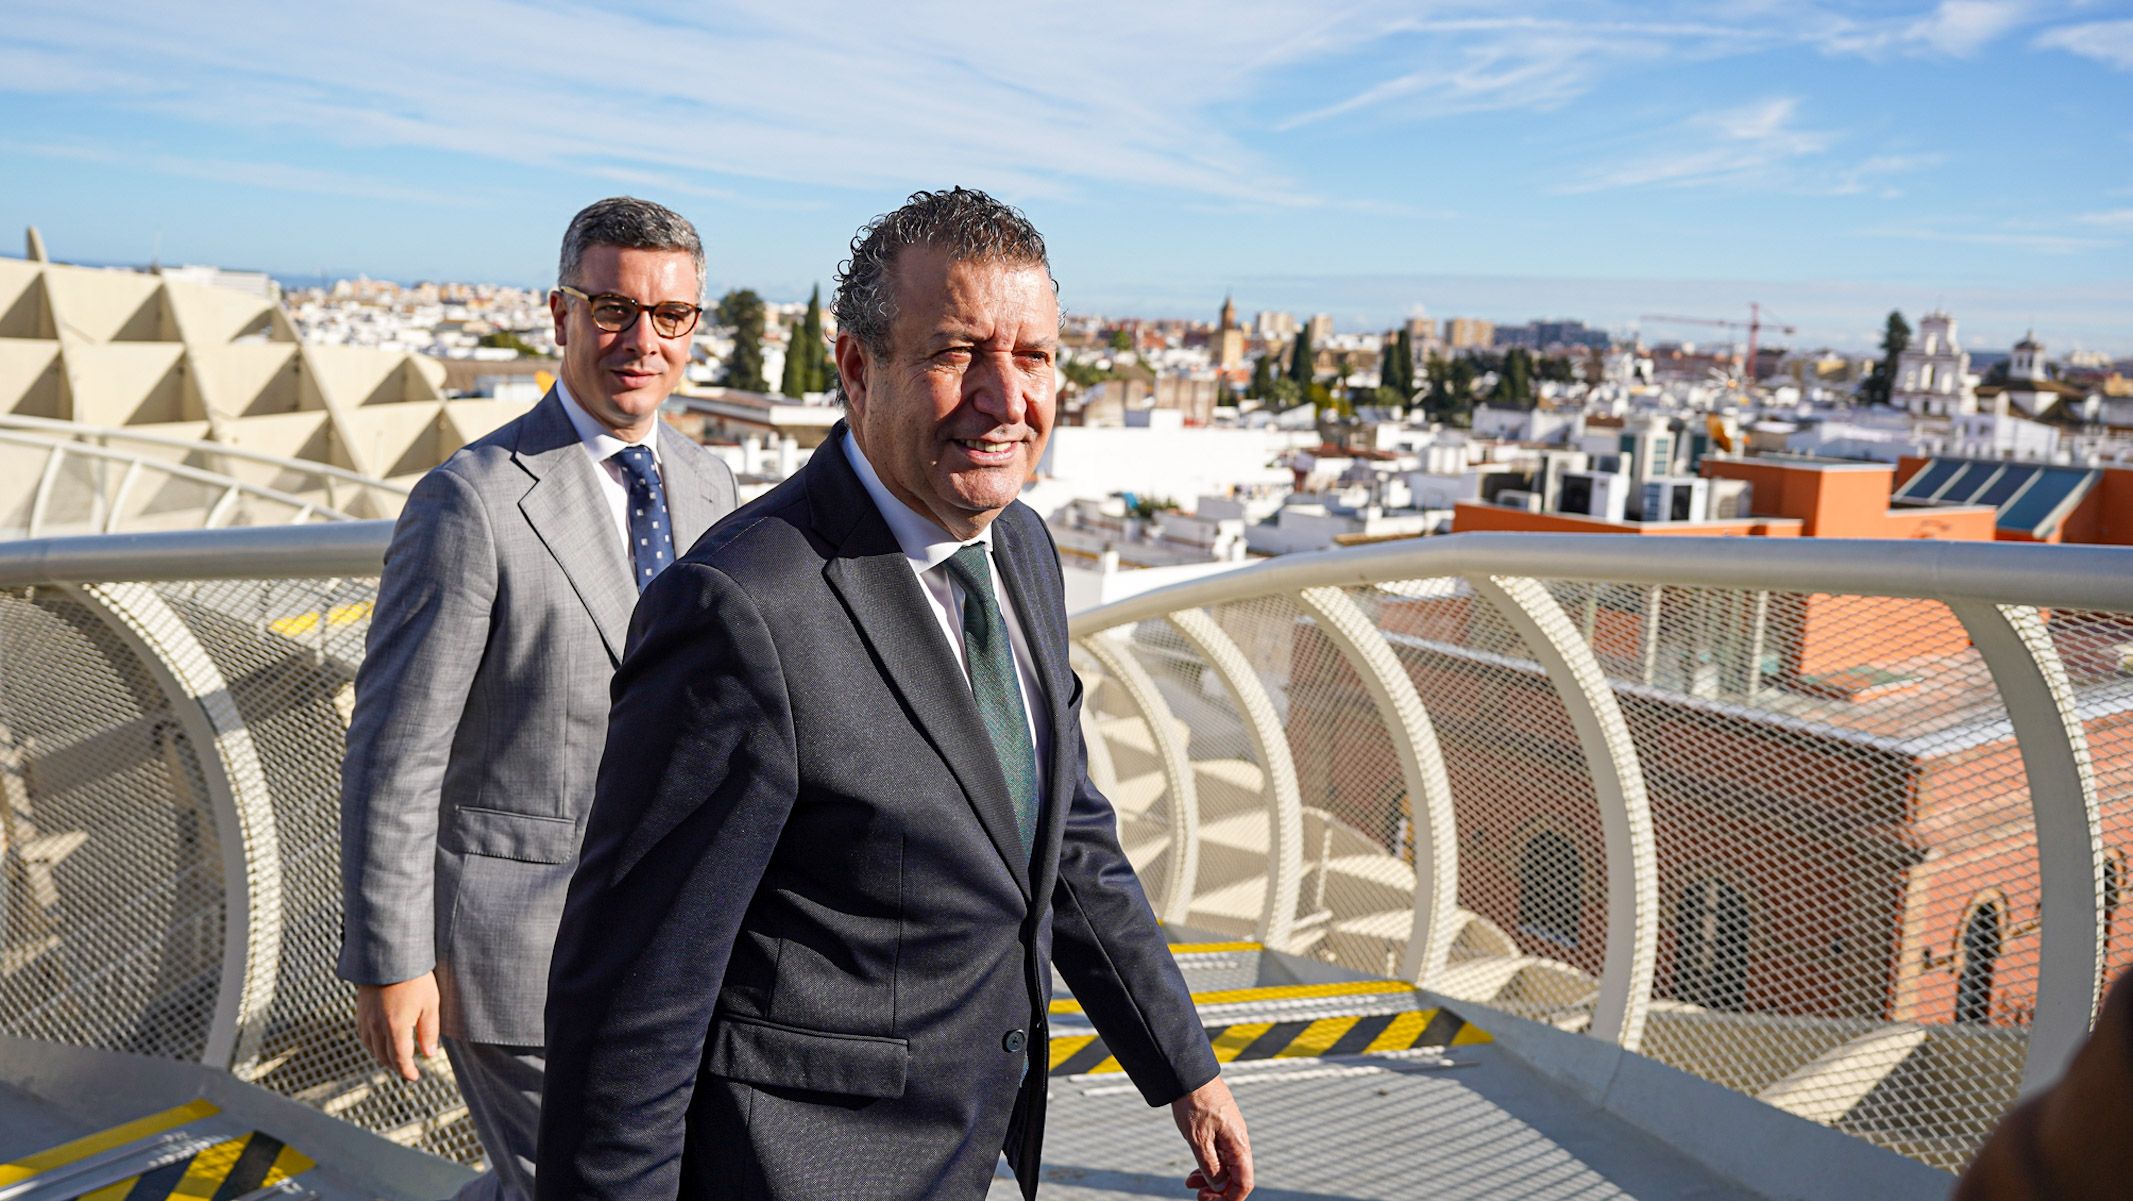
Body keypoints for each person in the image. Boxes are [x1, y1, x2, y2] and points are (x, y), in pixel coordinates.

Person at [538, 188, 1252, 1201]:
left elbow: (1063, 838)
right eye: (958, 352)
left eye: (1035, 357)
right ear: (857, 367)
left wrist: (1184, 1068)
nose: (1008, 400)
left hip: (963, 1157)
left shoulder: (1022, 553)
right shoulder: (744, 607)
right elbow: (630, 1003)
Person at [338, 196, 738, 1201]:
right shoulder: (471, 499)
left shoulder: (708, 481)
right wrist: (392, 960)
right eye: (612, 309)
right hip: (518, 954)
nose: (641, 341)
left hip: (677, 943)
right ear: (560, 314)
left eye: (671, 315)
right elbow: (397, 750)